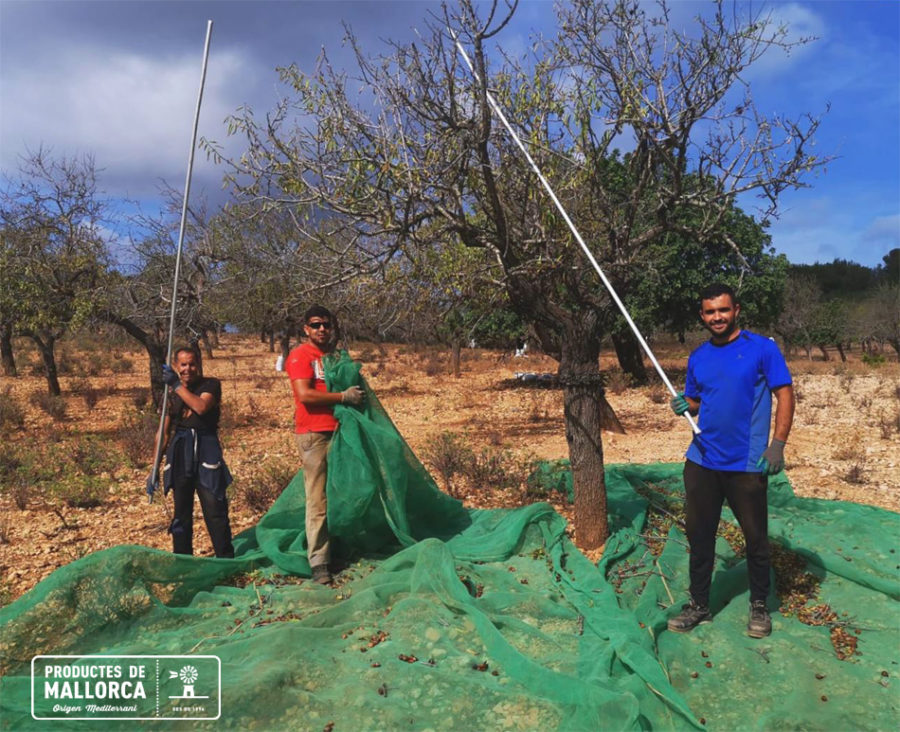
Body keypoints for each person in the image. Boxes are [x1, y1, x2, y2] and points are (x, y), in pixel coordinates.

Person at [668, 283, 795, 638]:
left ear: (736, 309)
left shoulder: (762, 349)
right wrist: (684, 405)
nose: (717, 317)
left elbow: (784, 394)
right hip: (702, 460)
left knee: (755, 537)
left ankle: (759, 605)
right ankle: (699, 604)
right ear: (702, 316)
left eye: (723, 310)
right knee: (700, 535)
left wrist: (778, 444)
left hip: (746, 463)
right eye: (710, 312)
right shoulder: (699, 357)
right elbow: (697, 401)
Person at [286, 306, 364, 585]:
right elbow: (305, 395)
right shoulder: (299, 356)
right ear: (306, 328)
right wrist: (342, 397)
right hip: (313, 434)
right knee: (317, 498)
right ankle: (319, 562)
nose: (322, 329)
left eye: (326, 325)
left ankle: (337, 549)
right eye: (316, 325)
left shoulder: (332, 357)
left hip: (339, 432)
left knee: (341, 493)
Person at [157, 346, 234, 558]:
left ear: (199, 365)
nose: (188, 369)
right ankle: (183, 563)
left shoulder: (210, 384)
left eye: (192, 364)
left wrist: (175, 384)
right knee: (181, 514)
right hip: (180, 451)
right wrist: (154, 468)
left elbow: (200, 406)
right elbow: (163, 432)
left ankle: (226, 561)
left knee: (214, 507)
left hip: (206, 449)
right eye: (183, 365)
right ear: (175, 366)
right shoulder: (169, 394)